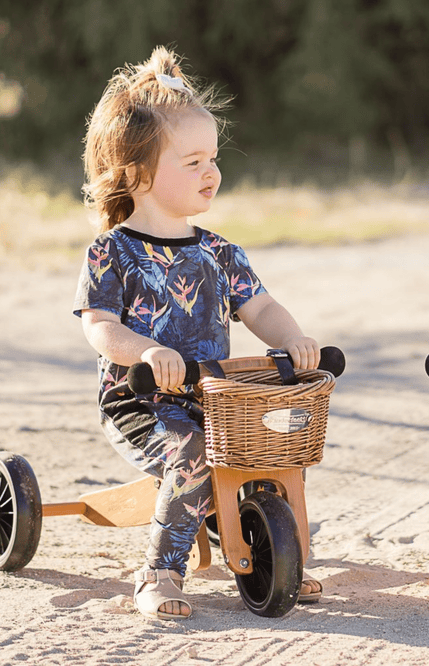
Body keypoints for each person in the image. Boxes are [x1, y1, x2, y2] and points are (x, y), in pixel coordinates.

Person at [74, 47, 323, 620]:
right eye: (192, 162)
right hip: (142, 403)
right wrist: (151, 350)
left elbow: (260, 308)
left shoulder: (218, 252)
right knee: (193, 452)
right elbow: (100, 328)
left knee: (265, 449)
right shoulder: (112, 252)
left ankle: (273, 557)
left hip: (212, 400)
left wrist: (293, 339)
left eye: (212, 158)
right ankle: (160, 571)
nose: (211, 171)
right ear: (137, 173)